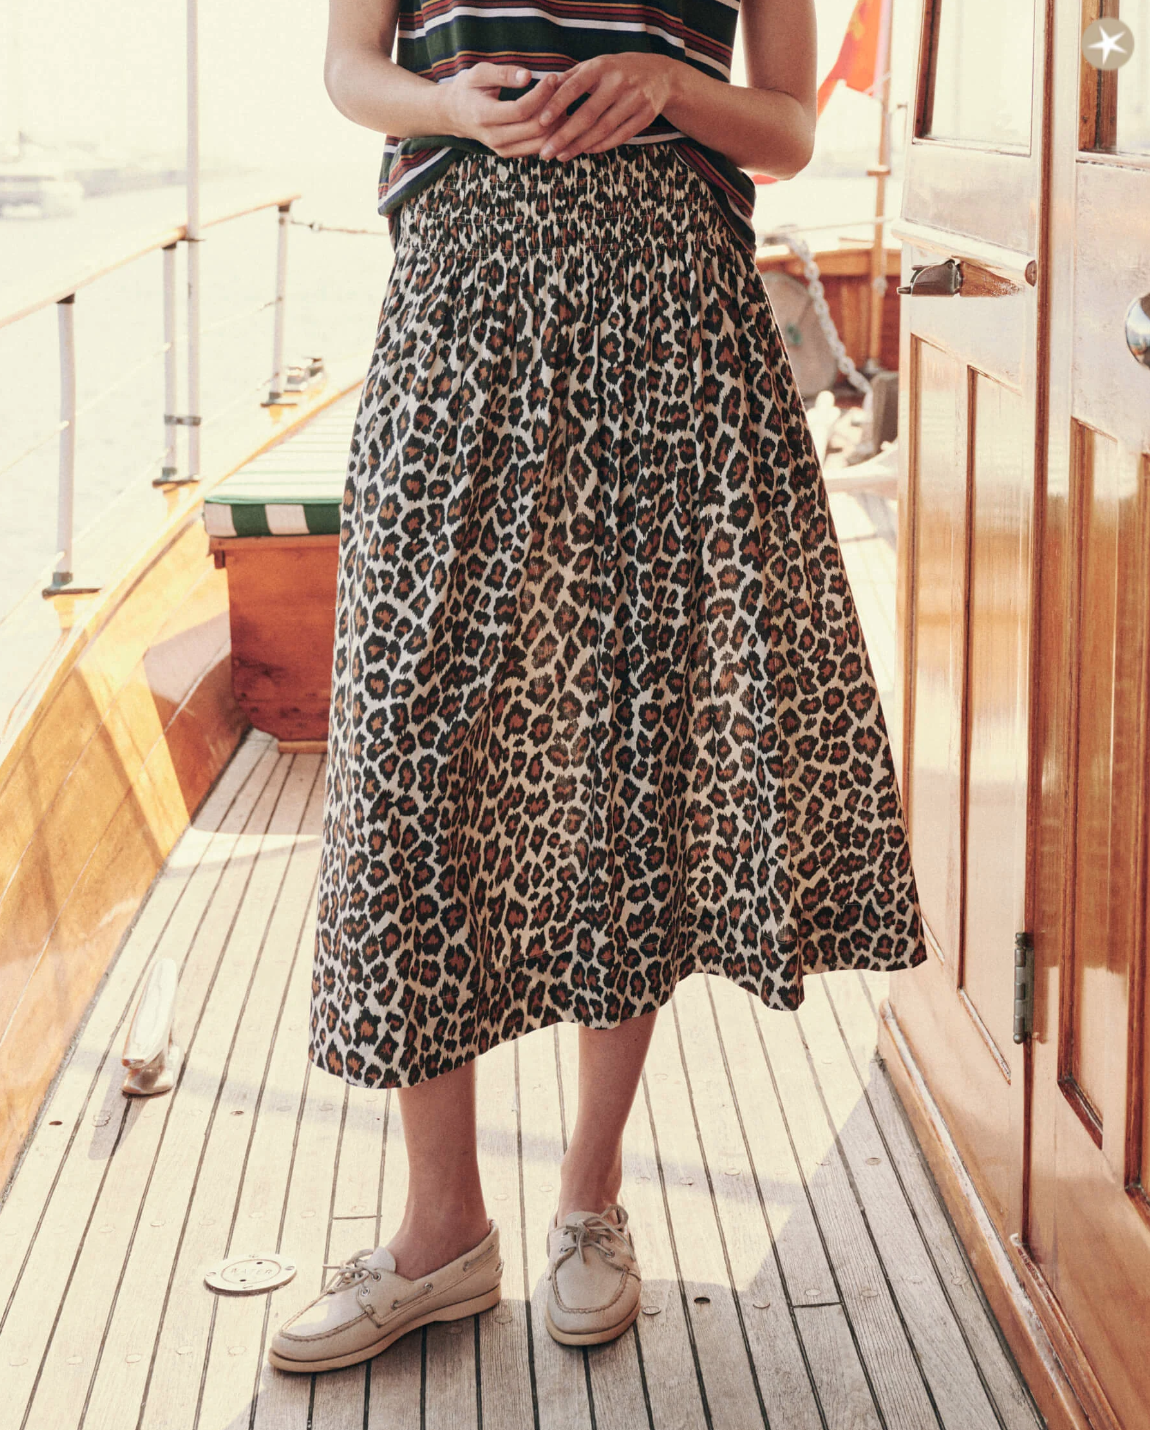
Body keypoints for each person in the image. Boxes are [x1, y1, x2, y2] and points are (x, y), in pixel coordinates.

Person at [268, 0, 927, 1375]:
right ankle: (440, 1225)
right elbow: (348, 68)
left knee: (635, 740)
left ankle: (588, 1196)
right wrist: (452, 108)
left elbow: (792, 126)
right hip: (456, 333)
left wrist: (663, 83)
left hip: (676, 346)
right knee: (410, 756)